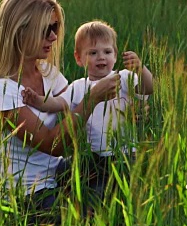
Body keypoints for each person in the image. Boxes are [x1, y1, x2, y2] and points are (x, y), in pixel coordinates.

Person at [0, 0, 121, 217]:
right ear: (20, 31)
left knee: (116, 167)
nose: (54, 37)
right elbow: (51, 145)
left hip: (57, 174)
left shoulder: (47, 73)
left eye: (54, 29)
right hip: (27, 192)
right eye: (47, 30)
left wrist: (123, 110)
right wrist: (92, 99)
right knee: (84, 225)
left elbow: (78, 105)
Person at [21, 20, 154, 206]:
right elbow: (58, 103)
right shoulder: (79, 86)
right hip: (95, 157)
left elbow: (148, 89)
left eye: (107, 52)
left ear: (115, 55)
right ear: (79, 58)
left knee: (126, 191)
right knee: (96, 194)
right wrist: (37, 100)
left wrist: (141, 69)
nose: (101, 57)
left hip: (124, 154)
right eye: (93, 53)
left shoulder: (123, 78)